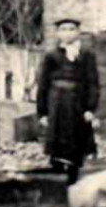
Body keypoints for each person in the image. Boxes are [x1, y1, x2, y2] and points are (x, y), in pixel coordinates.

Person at [36, 17, 101, 182]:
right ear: (58, 33)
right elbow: (43, 84)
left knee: (76, 145)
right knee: (57, 146)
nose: (67, 33)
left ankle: (74, 178)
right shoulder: (51, 56)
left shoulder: (87, 55)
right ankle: (57, 181)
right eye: (63, 29)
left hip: (77, 106)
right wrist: (42, 112)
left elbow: (93, 83)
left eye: (71, 29)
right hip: (57, 105)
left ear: (78, 33)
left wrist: (90, 109)